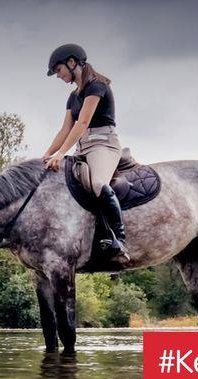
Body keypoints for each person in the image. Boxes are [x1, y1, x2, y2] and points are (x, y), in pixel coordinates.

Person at [41, 43, 129, 263]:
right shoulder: (72, 97)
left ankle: (119, 239)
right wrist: (45, 155)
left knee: (99, 184)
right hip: (81, 147)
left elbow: (82, 123)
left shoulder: (97, 85)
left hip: (103, 144)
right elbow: (65, 130)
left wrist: (61, 154)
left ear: (72, 63)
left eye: (59, 70)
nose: (58, 76)